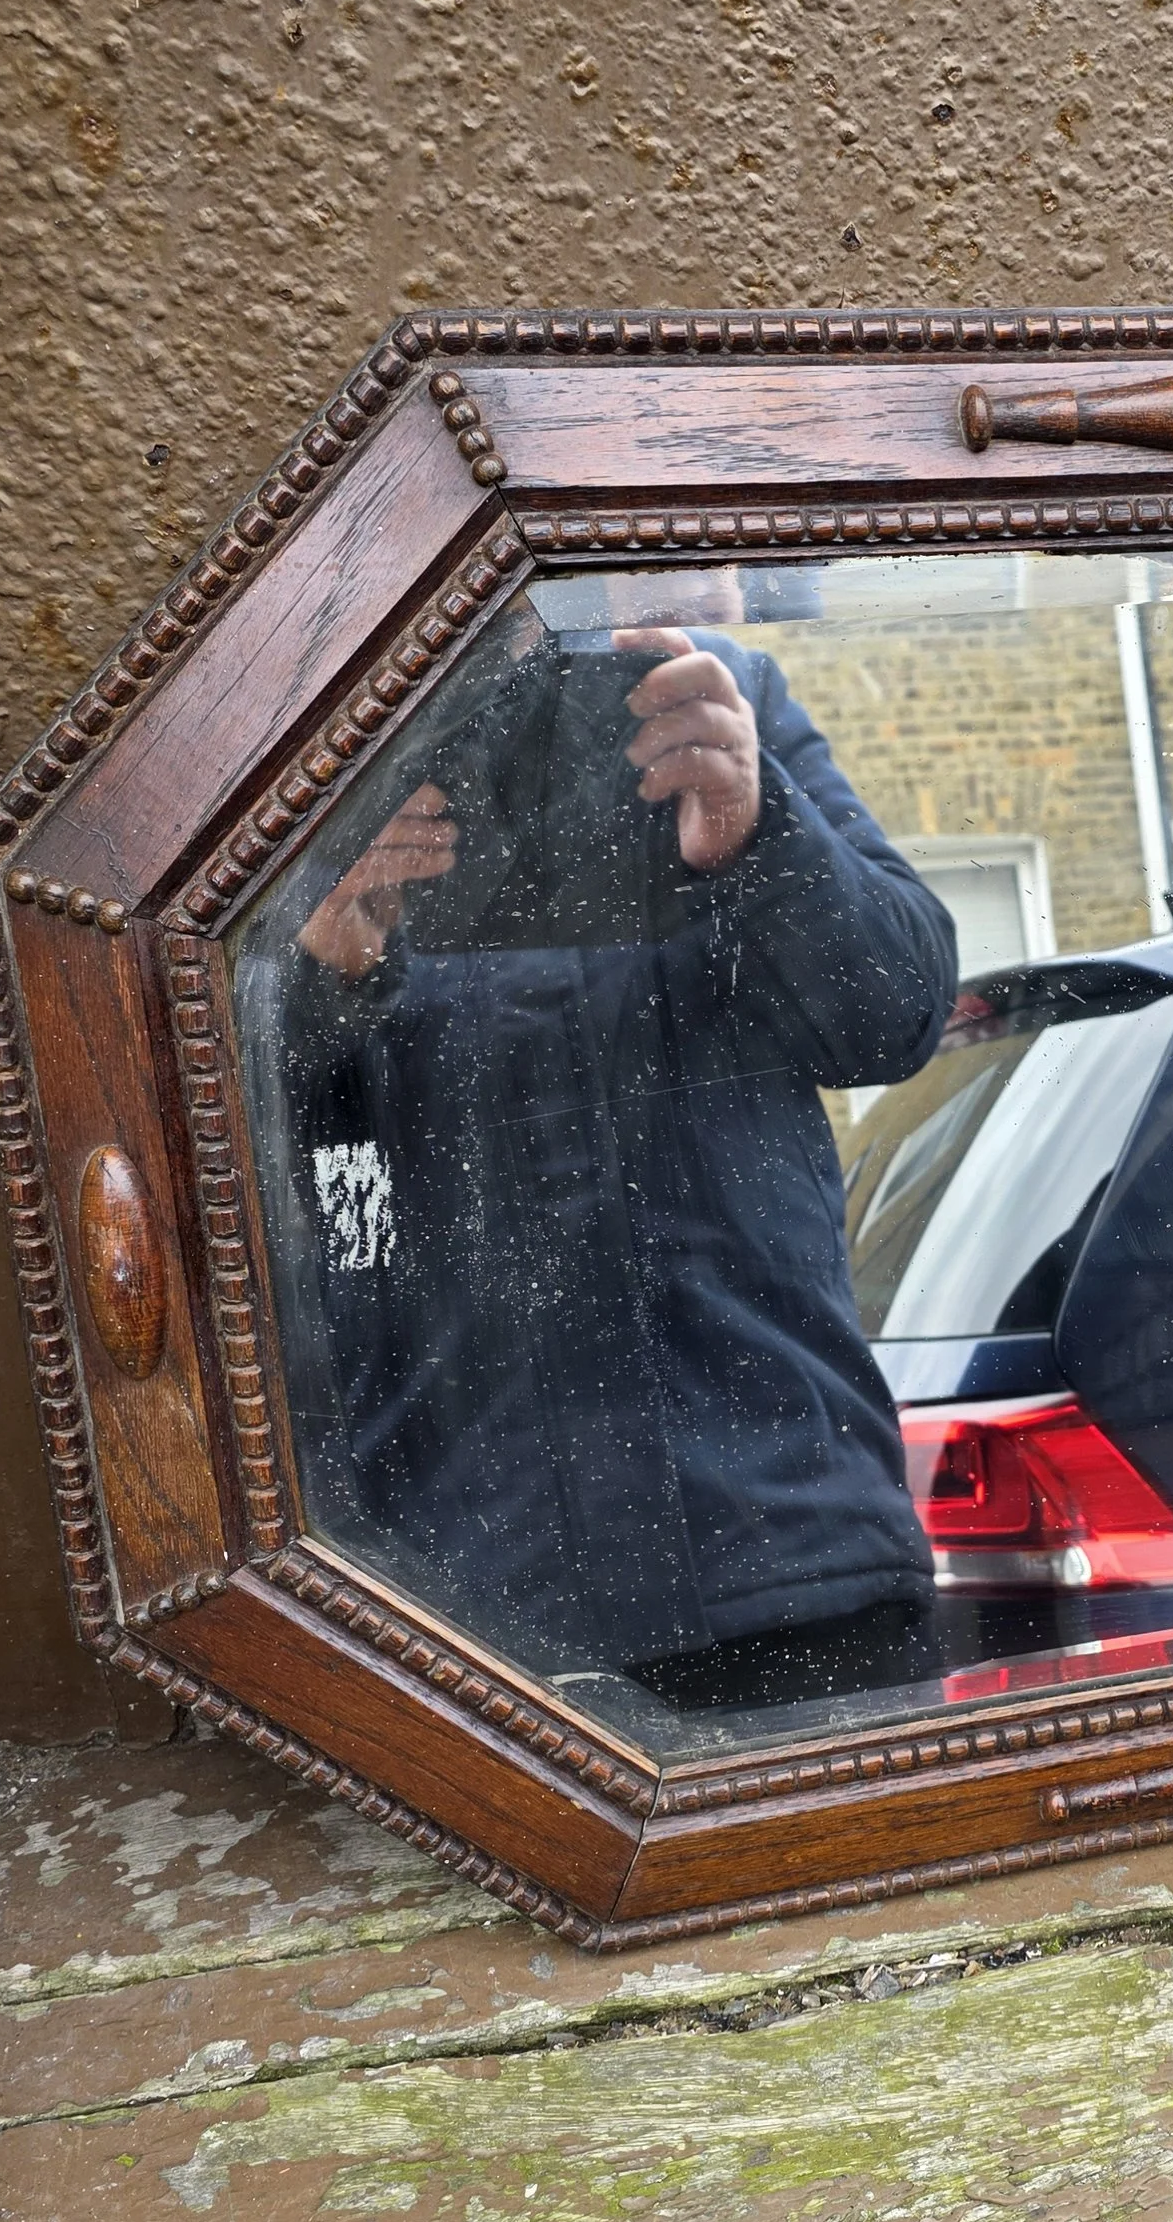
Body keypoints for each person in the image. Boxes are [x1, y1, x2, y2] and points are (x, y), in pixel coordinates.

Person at [260, 585, 960, 1713]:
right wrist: (312, 961)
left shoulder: (715, 698)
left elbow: (897, 1017)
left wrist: (753, 819)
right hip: (452, 1595)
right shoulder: (310, 745)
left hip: (782, 1544)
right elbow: (234, 1168)